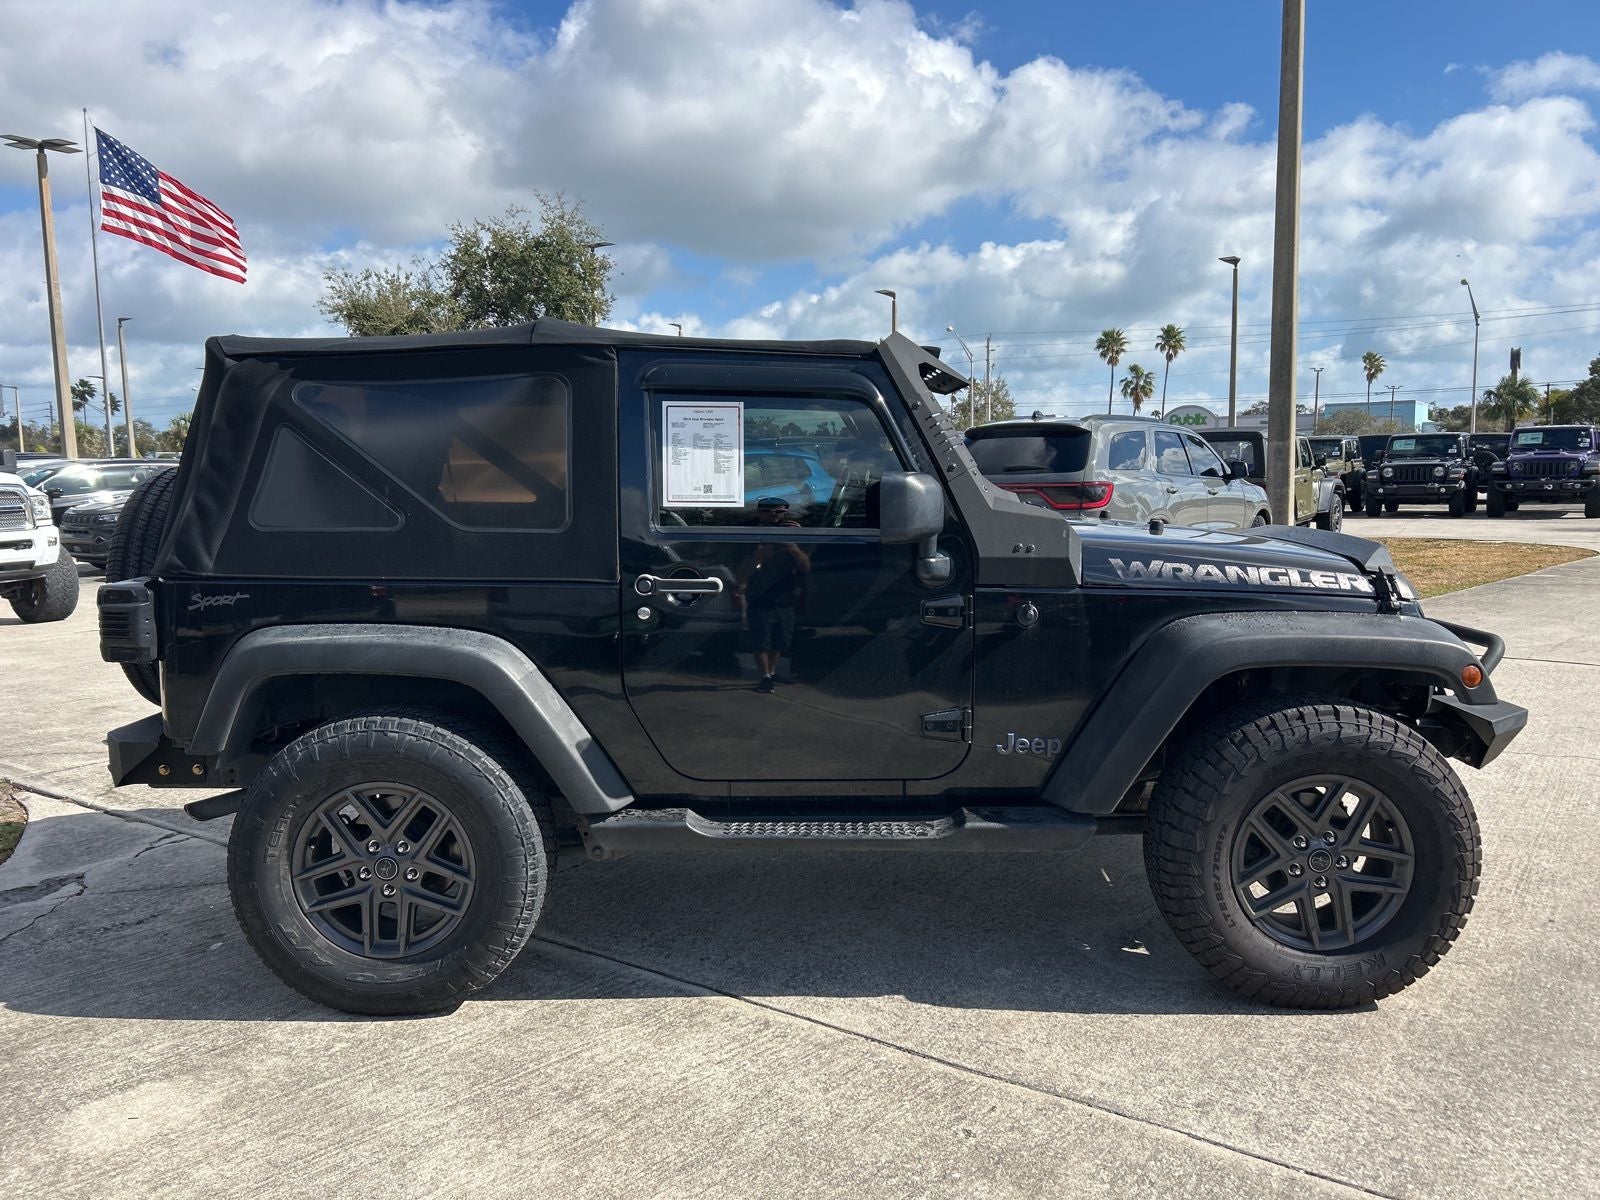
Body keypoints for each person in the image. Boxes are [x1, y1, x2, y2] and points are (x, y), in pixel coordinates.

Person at [733, 496, 811, 693]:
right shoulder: (749, 535)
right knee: (760, 639)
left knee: (781, 640)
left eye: (778, 512)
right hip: (759, 597)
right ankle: (765, 676)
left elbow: (806, 567)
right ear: (759, 512)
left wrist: (793, 547)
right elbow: (740, 573)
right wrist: (756, 557)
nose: (773, 516)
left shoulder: (792, 532)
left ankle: (772, 671)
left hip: (785, 597)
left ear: (785, 513)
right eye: (768, 511)